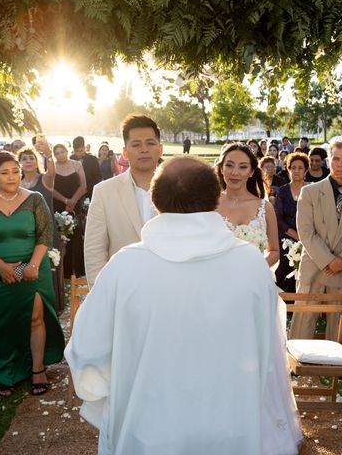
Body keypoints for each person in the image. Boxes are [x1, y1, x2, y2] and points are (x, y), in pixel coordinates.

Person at [66, 157, 302, 455]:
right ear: (215, 198)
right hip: (232, 427)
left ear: (156, 201)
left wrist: (114, 397)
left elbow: (86, 350)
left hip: (146, 429)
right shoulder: (251, 265)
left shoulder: (125, 266)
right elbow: (268, 348)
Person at [0, 151, 65, 396]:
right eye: (5, 172)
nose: (11, 176)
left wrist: (32, 265)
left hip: (34, 269)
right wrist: (1, 267)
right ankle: (6, 371)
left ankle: (37, 369)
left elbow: (45, 235)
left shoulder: (34, 199)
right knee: (3, 321)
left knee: (35, 318)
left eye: (15, 171)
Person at [289, 141, 342, 341]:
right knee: (304, 318)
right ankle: (297, 366)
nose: (339, 164)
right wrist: (328, 260)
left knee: (339, 323)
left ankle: (340, 368)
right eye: (335, 159)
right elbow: (305, 231)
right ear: (329, 161)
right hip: (315, 264)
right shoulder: (309, 191)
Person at [84, 114, 163, 287]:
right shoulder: (104, 192)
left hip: (170, 290)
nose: (144, 150)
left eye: (150, 143)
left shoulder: (180, 188)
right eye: (136, 144)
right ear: (125, 152)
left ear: (160, 149)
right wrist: (101, 295)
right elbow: (94, 251)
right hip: (123, 290)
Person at [216, 143, 279, 267]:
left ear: (251, 172)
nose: (235, 172)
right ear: (222, 168)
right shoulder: (209, 205)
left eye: (243, 167)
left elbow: (274, 251)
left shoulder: (265, 208)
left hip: (254, 280)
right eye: (229, 165)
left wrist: (254, 270)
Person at [18, 146, 64, 309]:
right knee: (28, 266)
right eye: (24, 158)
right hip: (27, 234)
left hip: (48, 232)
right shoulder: (18, 184)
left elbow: (52, 173)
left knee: (48, 268)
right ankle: (31, 304)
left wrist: (49, 154)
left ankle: (51, 306)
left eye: (31, 157)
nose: (28, 161)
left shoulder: (44, 179)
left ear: (37, 161)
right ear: (20, 163)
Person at [275, 153, 309, 292]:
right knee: (284, 268)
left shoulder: (311, 190)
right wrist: (295, 235)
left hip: (308, 237)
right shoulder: (282, 191)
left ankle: (303, 303)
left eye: (300, 168)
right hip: (286, 237)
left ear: (306, 170)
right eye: (293, 168)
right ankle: (284, 303)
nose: (296, 171)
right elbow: (278, 218)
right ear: (288, 170)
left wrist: (304, 237)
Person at [52, 143, 88, 277]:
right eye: (57, 153)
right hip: (59, 206)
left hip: (76, 204)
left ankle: (79, 273)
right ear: (54, 155)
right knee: (62, 238)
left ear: (67, 152)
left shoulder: (77, 164)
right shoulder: (52, 168)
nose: (60, 155)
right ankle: (64, 274)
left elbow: (83, 185)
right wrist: (66, 201)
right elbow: (51, 189)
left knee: (77, 237)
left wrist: (73, 201)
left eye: (62, 151)